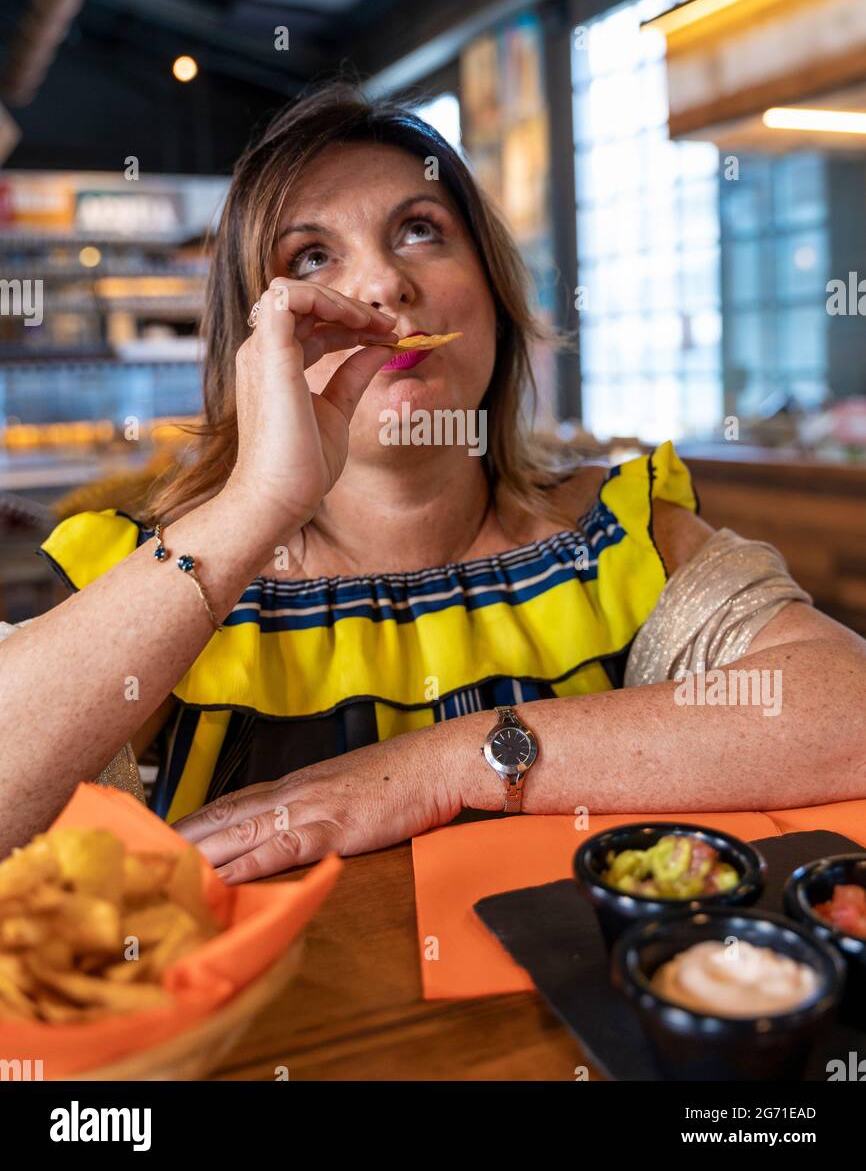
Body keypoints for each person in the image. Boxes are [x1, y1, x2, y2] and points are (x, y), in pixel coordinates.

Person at [2, 84, 864, 879]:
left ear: (493, 293)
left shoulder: (625, 535)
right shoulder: (165, 575)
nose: (383, 285)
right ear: (250, 346)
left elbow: (849, 713)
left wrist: (446, 764)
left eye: (419, 229)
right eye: (309, 259)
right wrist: (255, 507)